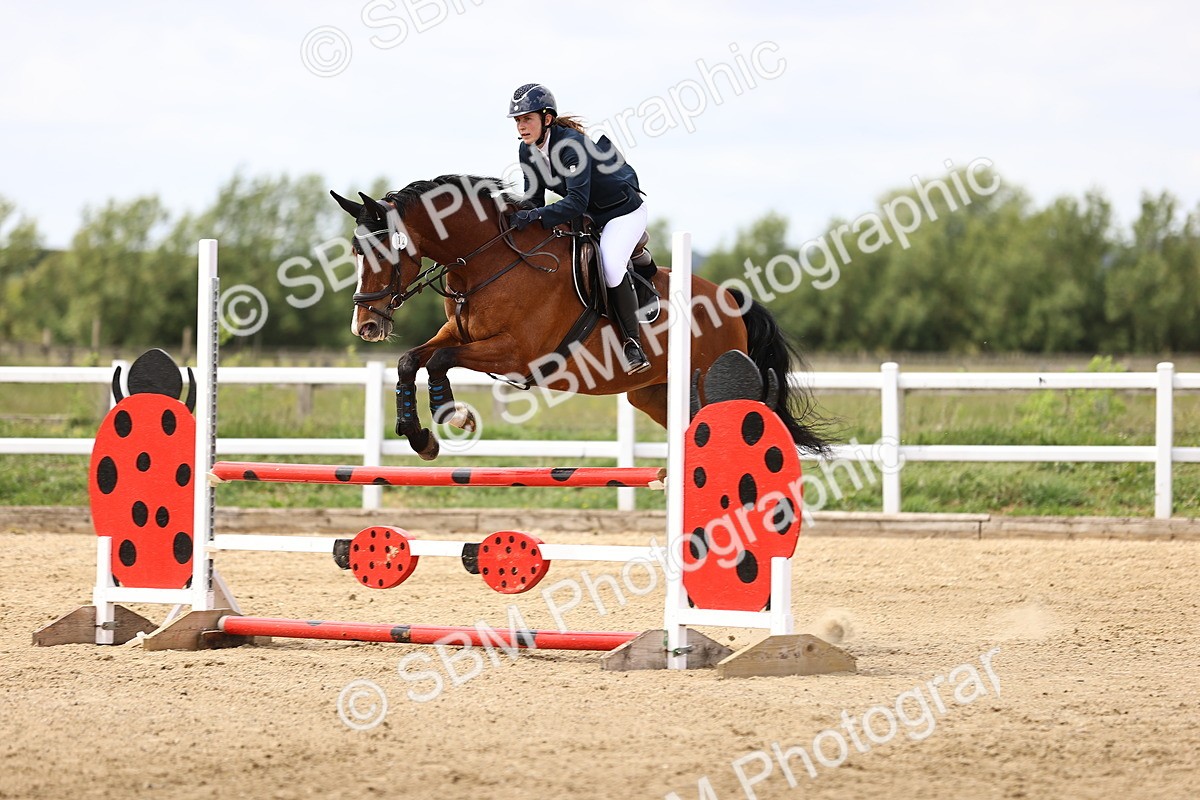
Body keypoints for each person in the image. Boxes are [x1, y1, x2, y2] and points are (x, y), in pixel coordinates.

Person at [506, 83, 656, 375]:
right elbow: (533, 200)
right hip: (590, 212)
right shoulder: (527, 152)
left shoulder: (570, 146)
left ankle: (632, 344)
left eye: (527, 119)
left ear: (547, 119)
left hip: (622, 211)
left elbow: (575, 202)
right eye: (518, 120)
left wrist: (536, 215)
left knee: (610, 265)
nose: (521, 126)